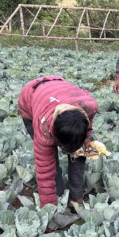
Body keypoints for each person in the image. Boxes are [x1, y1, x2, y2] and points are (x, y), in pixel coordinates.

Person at [18, 76, 98, 207]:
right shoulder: (43, 130)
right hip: (31, 96)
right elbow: (45, 172)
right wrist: (49, 207)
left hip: (60, 88)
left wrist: (86, 137)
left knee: (78, 154)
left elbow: (88, 124)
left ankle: (75, 196)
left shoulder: (90, 107)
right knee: (50, 160)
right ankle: (59, 196)